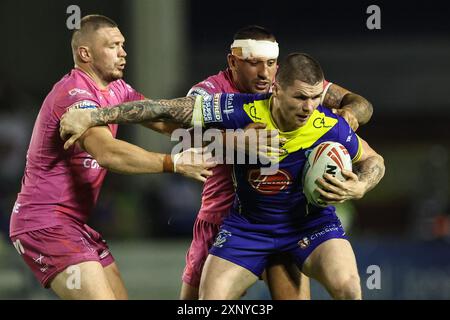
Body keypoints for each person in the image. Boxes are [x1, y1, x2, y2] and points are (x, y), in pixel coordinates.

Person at [59, 53, 385, 300]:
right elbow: (166, 111)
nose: (309, 107)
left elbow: (373, 160)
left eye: (315, 98)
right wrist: (95, 115)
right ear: (277, 89)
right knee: (208, 301)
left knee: (349, 289)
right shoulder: (238, 109)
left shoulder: (329, 124)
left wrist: (361, 184)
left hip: (311, 225)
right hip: (248, 228)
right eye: (300, 97)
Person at [9, 15, 213, 300]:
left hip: (74, 225)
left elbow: (164, 121)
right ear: (85, 54)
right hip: (44, 223)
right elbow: (107, 153)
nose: (123, 52)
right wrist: (174, 163)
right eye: (113, 46)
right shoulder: (74, 94)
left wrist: (227, 133)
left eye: (123, 45)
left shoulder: (118, 90)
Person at [181, 26, 374, 300]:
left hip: (288, 214)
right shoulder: (211, 93)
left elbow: (360, 103)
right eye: (253, 63)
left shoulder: (290, 87)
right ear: (233, 62)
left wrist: (349, 115)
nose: (264, 73)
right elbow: (180, 134)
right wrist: (233, 141)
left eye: (271, 63)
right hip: (223, 216)